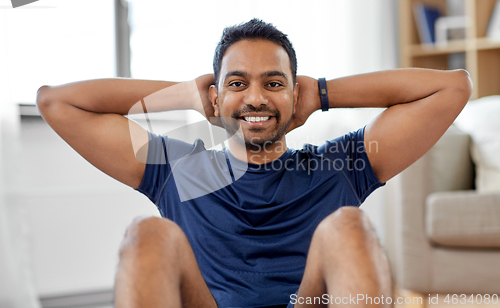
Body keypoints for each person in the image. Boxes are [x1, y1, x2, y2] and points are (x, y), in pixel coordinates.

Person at [36, 19, 472, 308]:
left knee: (348, 227)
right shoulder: (176, 169)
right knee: (146, 234)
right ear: (215, 97)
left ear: (293, 95)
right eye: (237, 84)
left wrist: (322, 93)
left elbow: (452, 89)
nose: (257, 98)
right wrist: (188, 94)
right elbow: (57, 102)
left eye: (274, 83)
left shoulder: (341, 164)